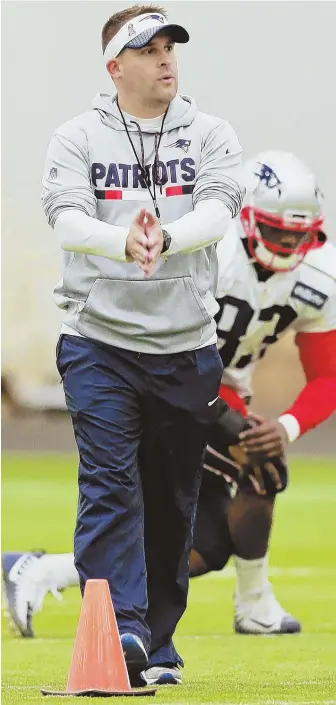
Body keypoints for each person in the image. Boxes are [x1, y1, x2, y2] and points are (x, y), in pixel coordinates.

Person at [4, 151, 336, 657]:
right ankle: (254, 604)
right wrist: (237, 422)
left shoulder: (318, 276)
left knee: (207, 545)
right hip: (162, 382)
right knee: (256, 468)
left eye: (298, 234)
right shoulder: (209, 252)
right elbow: (165, 345)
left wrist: (287, 425)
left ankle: (40, 569)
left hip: (219, 391)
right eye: (276, 232)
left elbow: (329, 373)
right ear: (244, 217)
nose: (289, 246)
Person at [22, 3, 244, 688]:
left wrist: (169, 236)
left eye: (171, 47)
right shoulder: (76, 137)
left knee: (173, 495)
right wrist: (122, 238)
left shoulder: (210, 131)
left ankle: (159, 638)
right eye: (148, 50)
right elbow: (65, 219)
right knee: (110, 483)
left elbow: (219, 204)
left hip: (185, 345)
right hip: (99, 342)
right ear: (115, 65)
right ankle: (121, 626)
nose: (166, 59)